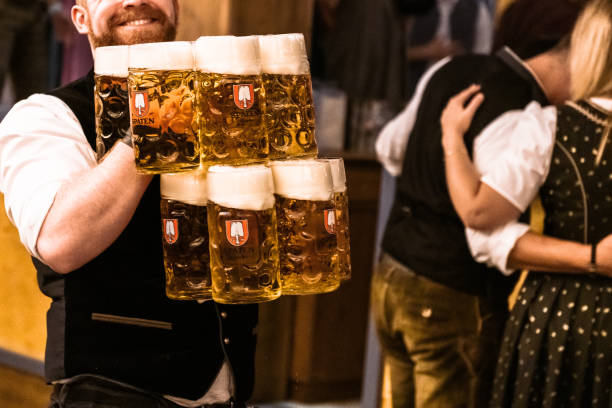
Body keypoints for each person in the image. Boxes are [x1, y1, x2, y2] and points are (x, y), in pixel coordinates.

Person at [0, 1, 257, 407]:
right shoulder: (44, 117)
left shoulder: (219, 110)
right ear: (80, 17)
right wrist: (157, 117)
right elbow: (60, 241)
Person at [371, 1, 598, 406]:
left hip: (390, 273)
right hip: (449, 292)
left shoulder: (451, 68)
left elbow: (389, 147)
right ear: (580, 60)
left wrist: (440, 160)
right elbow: (482, 221)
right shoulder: (524, 112)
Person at [440, 0, 612, 405]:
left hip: (561, 316)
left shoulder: (549, 125)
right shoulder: (546, 124)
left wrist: (450, 137)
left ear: (587, 48)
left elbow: (483, 224)